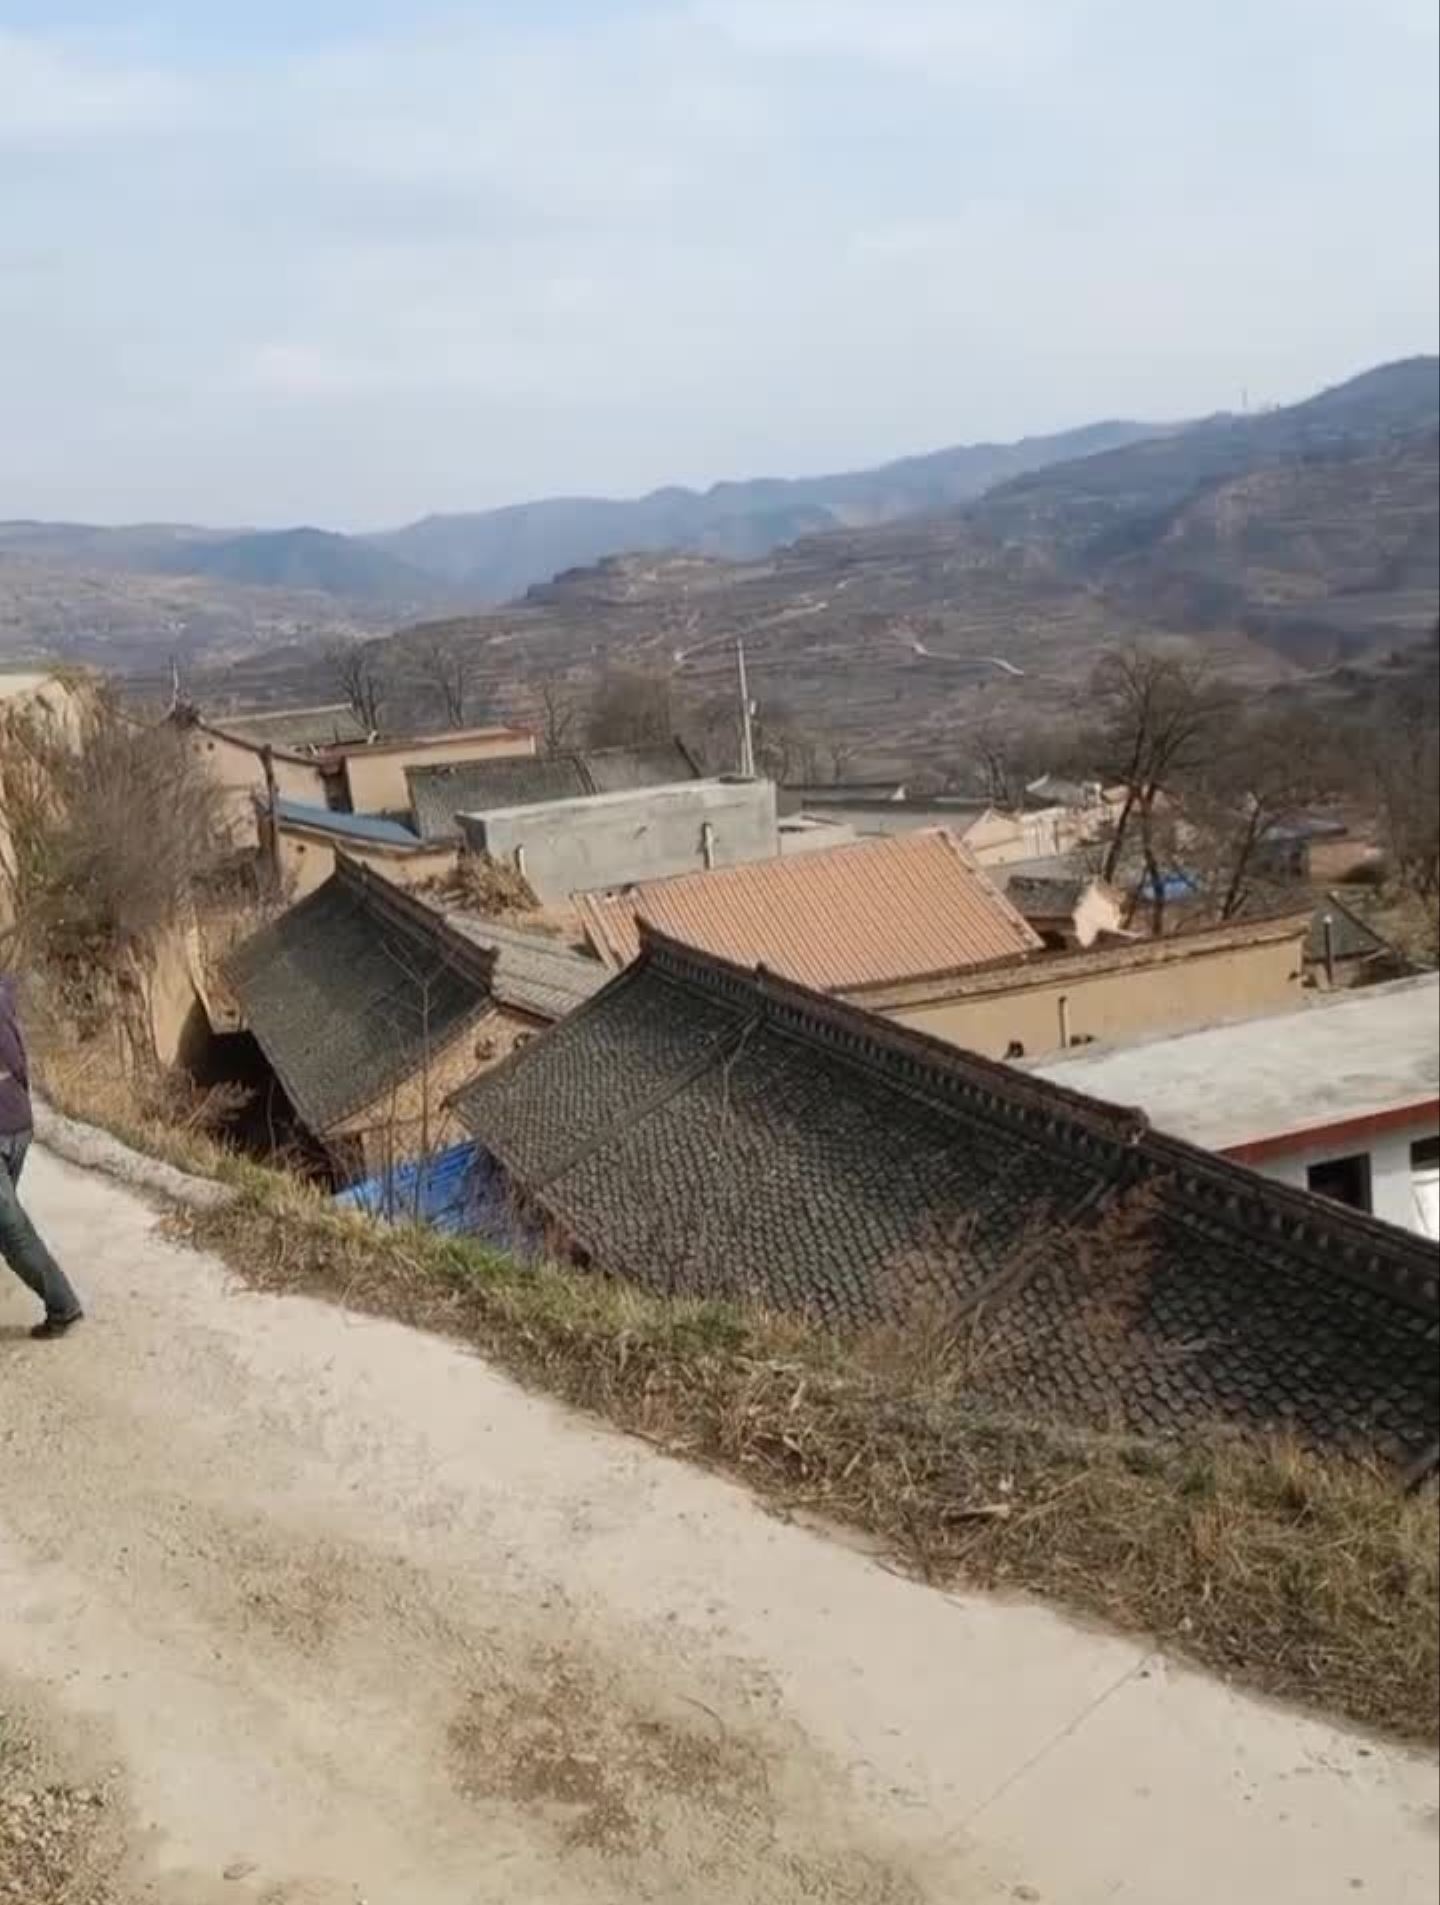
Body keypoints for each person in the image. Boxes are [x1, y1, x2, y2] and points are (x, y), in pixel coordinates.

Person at [0, 974, 83, 1338]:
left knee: (12, 1231)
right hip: (16, 1122)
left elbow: (13, 1060)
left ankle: (64, 1307)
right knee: (7, 1227)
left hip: (9, 1127)